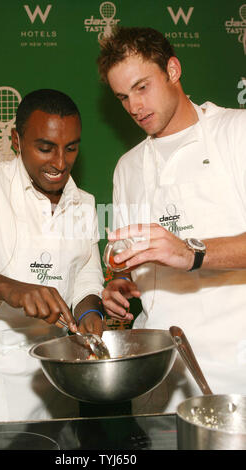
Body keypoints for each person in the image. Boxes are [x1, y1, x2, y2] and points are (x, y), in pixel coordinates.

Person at [98, 26, 246, 413]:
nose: (134, 106)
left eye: (142, 87)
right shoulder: (127, 167)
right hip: (156, 375)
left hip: (234, 374)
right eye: (123, 97)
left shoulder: (237, 132)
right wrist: (119, 282)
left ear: (173, 70)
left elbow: (181, 252)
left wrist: (191, 252)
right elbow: (129, 261)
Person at [0, 89, 104, 423]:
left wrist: (90, 311)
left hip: (60, 372)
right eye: (45, 148)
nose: (60, 163)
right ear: (17, 140)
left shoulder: (84, 203)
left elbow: (87, 276)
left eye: (71, 148)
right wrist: (11, 289)